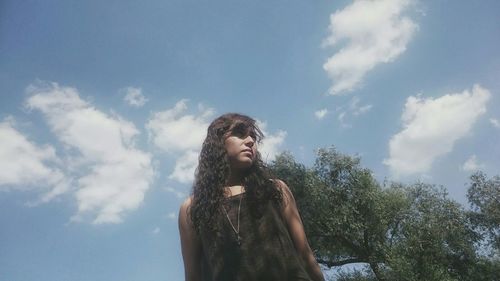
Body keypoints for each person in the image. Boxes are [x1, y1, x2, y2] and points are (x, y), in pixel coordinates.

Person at [179, 113, 325, 281]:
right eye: (240, 134)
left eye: (253, 137)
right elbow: (193, 275)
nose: (250, 141)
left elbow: (305, 254)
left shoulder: (275, 190)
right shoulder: (192, 208)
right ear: (218, 142)